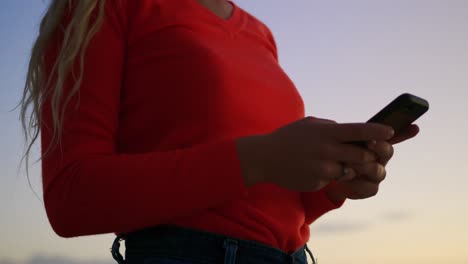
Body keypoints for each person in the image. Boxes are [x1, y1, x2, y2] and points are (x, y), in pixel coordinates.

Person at [17, 0, 420, 263]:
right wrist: (262, 157)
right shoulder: (100, 8)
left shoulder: (259, 33)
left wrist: (335, 183)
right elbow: (72, 197)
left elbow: (258, 194)